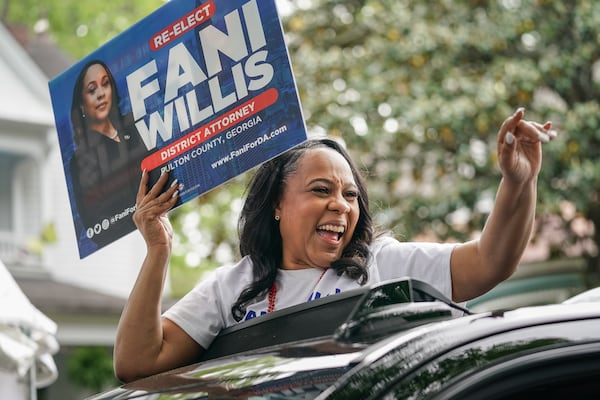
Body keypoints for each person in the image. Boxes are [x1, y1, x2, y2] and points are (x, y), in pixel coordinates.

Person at [113, 107, 556, 382]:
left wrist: (519, 182)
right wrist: (158, 250)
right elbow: (138, 364)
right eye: (321, 190)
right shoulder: (232, 286)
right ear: (277, 206)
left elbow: (489, 262)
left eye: (349, 195)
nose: (341, 205)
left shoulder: (381, 262)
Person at [69, 60, 148, 250]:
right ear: (81, 105)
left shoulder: (135, 128)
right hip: (126, 248)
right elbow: (96, 225)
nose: (101, 93)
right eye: (91, 89)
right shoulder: (80, 162)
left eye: (105, 84)